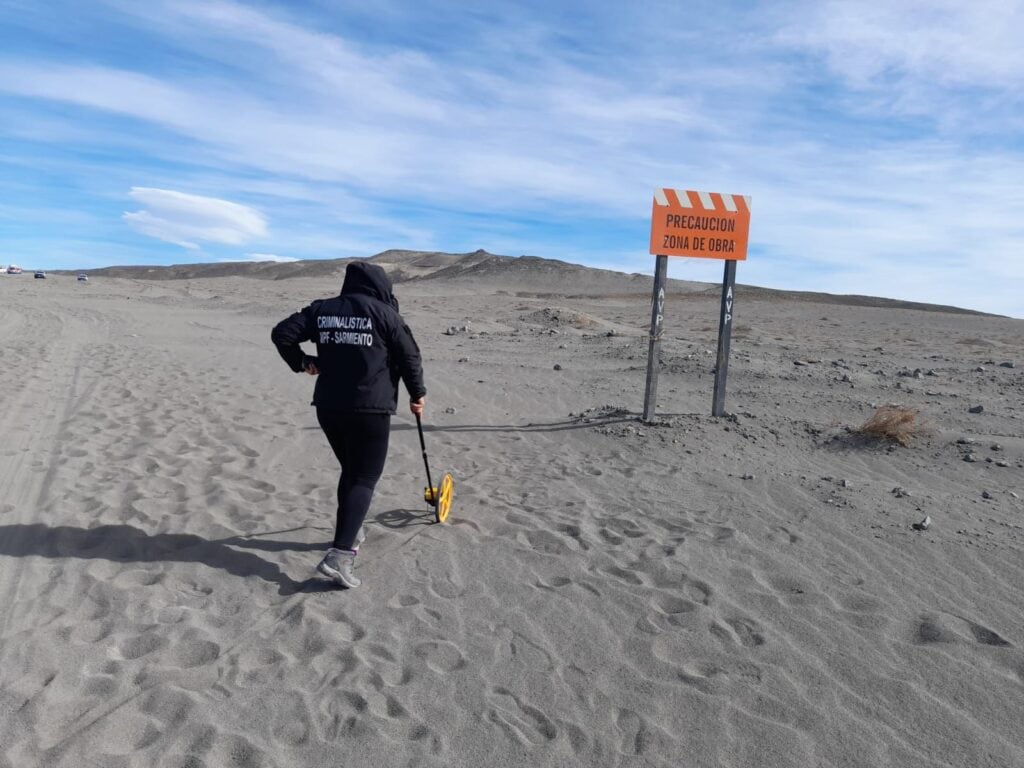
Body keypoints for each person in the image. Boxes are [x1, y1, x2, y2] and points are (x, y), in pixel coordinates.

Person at [272, 261, 426, 588]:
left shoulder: (322, 310)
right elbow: (410, 357)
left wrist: (302, 361)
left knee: (352, 472)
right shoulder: (386, 314)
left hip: (328, 407)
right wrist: (418, 395)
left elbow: (282, 333)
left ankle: (351, 532)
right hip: (369, 409)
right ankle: (341, 555)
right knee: (364, 477)